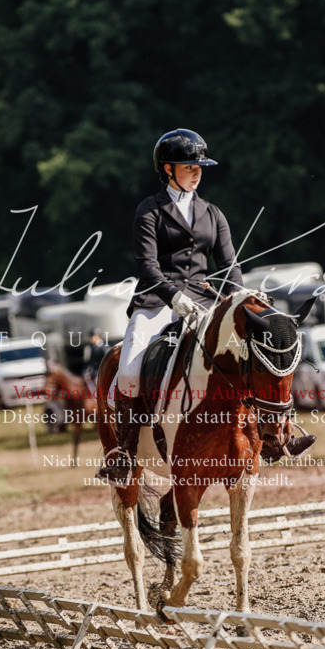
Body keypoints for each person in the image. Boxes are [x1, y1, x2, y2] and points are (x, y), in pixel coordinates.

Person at [96, 128, 244, 486]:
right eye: (188, 166)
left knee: (250, 352)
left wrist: (238, 298)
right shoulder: (150, 210)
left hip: (205, 302)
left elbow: (230, 264)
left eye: (199, 167)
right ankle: (126, 456)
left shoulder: (212, 213)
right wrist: (173, 296)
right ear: (167, 169)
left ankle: (275, 434)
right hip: (157, 301)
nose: (197, 172)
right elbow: (147, 264)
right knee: (129, 371)